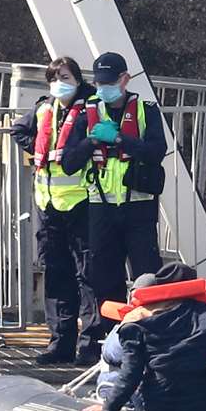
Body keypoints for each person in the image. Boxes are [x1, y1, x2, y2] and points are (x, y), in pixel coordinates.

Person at [61, 51, 168, 364]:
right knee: (103, 278)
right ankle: (112, 340)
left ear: (125, 79)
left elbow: (156, 151)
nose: (104, 88)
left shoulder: (147, 111)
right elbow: (68, 163)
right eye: (99, 83)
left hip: (139, 208)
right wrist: (90, 143)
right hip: (102, 209)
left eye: (110, 82)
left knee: (147, 276)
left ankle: (150, 338)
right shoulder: (86, 115)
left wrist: (121, 139)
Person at [74, 264, 206, 411]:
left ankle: (106, 391)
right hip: (204, 409)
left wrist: (107, 408)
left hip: (159, 410)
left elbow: (131, 373)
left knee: (130, 380)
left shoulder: (136, 320)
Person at [10, 57, 95, 363]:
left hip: (81, 203)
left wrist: (76, 151)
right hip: (48, 205)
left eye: (65, 76)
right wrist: (40, 147)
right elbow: (18, 130)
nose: (59, 82)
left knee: (87, 277)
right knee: (56, 276)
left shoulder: (90, 108)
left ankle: (90, 345)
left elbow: (95, 142)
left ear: (77, 79)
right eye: (54, 77)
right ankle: (60, 343)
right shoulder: (45, 107)